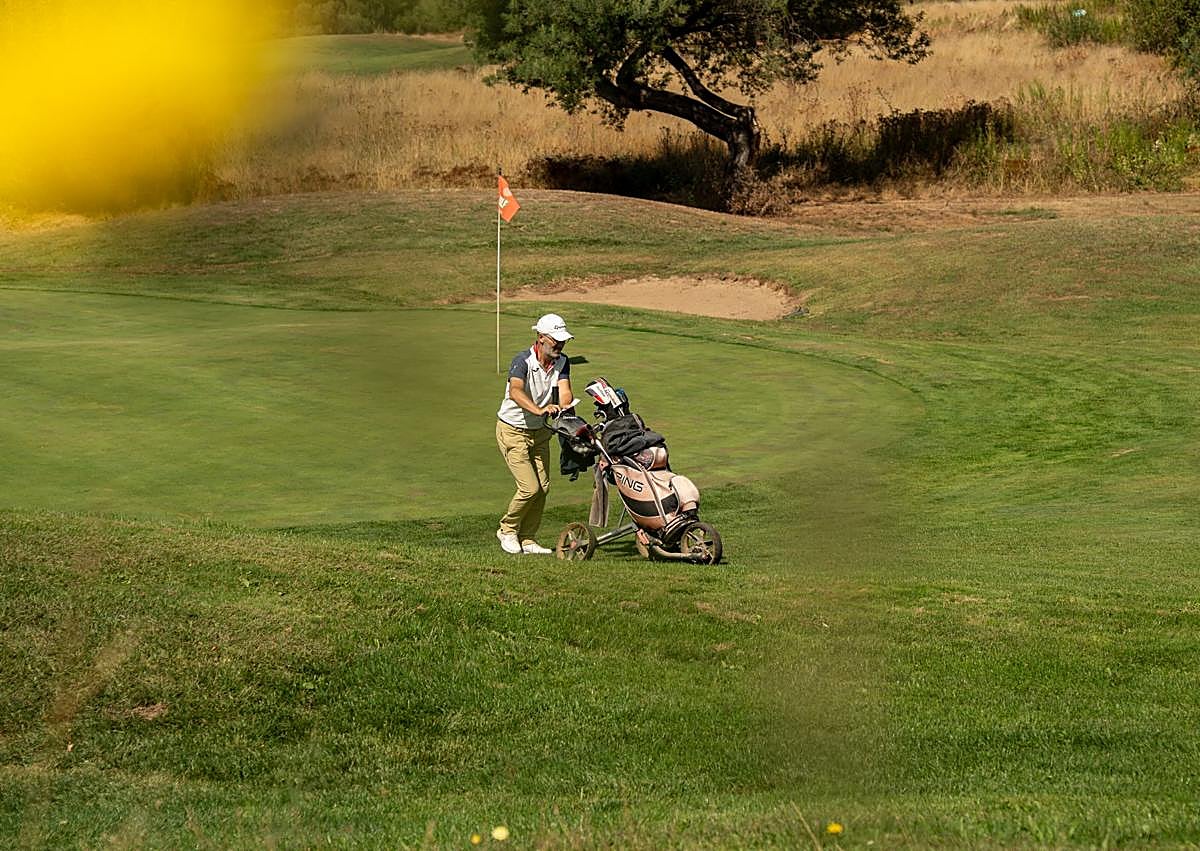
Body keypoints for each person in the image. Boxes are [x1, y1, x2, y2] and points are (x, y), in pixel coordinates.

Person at [495, 313, 575, 554]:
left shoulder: (562, 361)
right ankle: (507, 530)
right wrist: (540, 410)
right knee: (529, 487)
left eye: (562, 341)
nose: (560, 345)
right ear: (541, 338)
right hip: (513, 430)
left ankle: (528, 538)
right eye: (555, 340)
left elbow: (565, 392)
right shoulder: (522, 361)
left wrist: (563, 406)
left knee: (543, 486)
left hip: (540, 432)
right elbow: (516, 392)